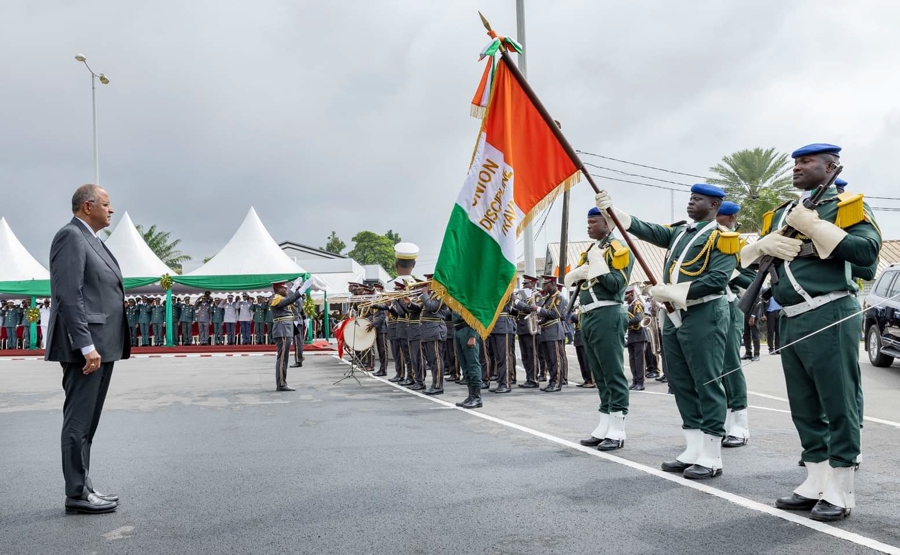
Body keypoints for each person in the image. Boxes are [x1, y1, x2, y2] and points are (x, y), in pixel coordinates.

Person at [741, 143, 881, 521]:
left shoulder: (846, 206)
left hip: (829, 311)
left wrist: (816, 226)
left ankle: (841, 488)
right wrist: (758, 246)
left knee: (838, 401)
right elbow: (745, 264)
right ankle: (816, 479)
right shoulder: (779, 214)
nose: (798, 167)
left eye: (807, 162)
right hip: (789, 317)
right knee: (804, 405)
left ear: (831, 167)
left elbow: (868, 254)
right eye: (796, 162)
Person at [596, 183, 738, 478]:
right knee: (681, 381)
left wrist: (672, 292)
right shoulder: (679, 233)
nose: (690, 202)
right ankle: (694, 446)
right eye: (690, 198)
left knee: (707, 381)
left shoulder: (722, 238)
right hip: (675, 316)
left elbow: (716, 279)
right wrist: (614, 211)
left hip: (705, 312)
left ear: (714, 206)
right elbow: (645, 229)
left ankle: (712, 454)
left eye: (697, 199)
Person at [46, 184, 130, 514]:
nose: (111, 210)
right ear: (86, 206)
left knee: (88, 425)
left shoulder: (92, 240)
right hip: (87, 348)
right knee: (78, 423)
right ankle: (76, 493)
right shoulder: (70, 237)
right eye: (106, 204)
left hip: (103, 345)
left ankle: (84, 485)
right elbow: (69, 294)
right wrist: (86, 345)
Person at [566, 208, 633, 451]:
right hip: (589, 315)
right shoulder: (592, 250)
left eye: (594, 222)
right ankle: (605, 422)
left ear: (608, 223)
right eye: (588, 222)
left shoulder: (619, 250)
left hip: (608, 313)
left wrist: (598, 266)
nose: (589, 226)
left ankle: (618, 427)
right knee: (599, 374)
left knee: (612, 372)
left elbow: (617, 285)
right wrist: (580, 271)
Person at [716, 201, 754, 448]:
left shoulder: (738, 245)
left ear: (729, 219)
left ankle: (739, 423)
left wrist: (730, 274)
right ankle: (715, 420)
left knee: (729, 363)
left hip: (728, 305)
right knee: (710, 367)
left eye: (719, 218)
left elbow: (753, 277)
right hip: (701, 308)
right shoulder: (699, 240)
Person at [533, 276, 565, 392]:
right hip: (546, 332)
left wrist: (538, 309)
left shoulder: (559, 297)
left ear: (552, 283)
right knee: (549, 360)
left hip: (554, 331)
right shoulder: (548, 298)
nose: (544, 287)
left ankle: (556, 383)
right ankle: (552, 381)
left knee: (555, 359)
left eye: (546, 284)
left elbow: (555, 314)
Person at [512, 275, 541, 388]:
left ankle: (534, 379)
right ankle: (529, 378)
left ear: (532, 284)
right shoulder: (524, 297)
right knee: (525, 356)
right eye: (523, 284)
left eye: (526, 284)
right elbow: (520, 311)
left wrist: (517, 301)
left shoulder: (536, 296)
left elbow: (530, 309)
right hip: (522, 329)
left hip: (531, 329)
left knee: (532, 354)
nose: (523, 286)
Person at [453, 311, 483, 409]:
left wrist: (473, 335)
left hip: (468, 329)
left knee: (472, 364)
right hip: (458, 329)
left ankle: (477, 397)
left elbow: (476, 313)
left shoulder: (470, 295)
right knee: (465, 365)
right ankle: (471, 395)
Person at [487, 292, 516, 394]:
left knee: (504, 357)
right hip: (495, 326)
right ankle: (501, 382)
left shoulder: (505, 290)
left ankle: (506, 384)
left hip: (503, 326)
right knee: (498, 358)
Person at [625, 286, 649, 391]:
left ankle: (640, 382)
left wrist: (624, 321)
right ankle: (635, 380)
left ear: (630, 294)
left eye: (625, 294)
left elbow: (638, 318)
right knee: (632, 360)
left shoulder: (637, 305)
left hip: (639, 335)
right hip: (632, 335)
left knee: (639, 361)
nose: (624, 297)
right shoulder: (629, 306)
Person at [762, 288, 782, 354]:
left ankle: (778, 348)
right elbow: (762, 303)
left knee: (778, 331)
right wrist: (763, 314)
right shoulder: (768, 291)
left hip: (779, 312)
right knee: (770, 331)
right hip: (770, 312)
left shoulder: (779, 290)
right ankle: (771, 348)